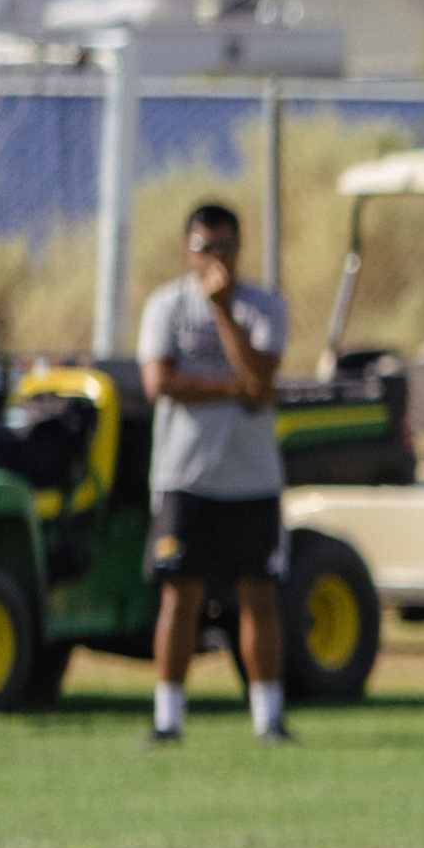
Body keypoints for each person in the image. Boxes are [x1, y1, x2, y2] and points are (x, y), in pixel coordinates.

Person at [138, 203, 293, 747]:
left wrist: (224, 313)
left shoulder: (263, 306)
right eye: (206, 247)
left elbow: (262, 381)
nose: (216, 257)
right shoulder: (167, 306)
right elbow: (160, 383)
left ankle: (269, 720)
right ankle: (168, 720)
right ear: (188, 249)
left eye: (225, 246)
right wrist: (235, 390)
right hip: (186, 475)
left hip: (251, 477)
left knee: (260, 597)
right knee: (180, 596)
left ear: (239, 248)